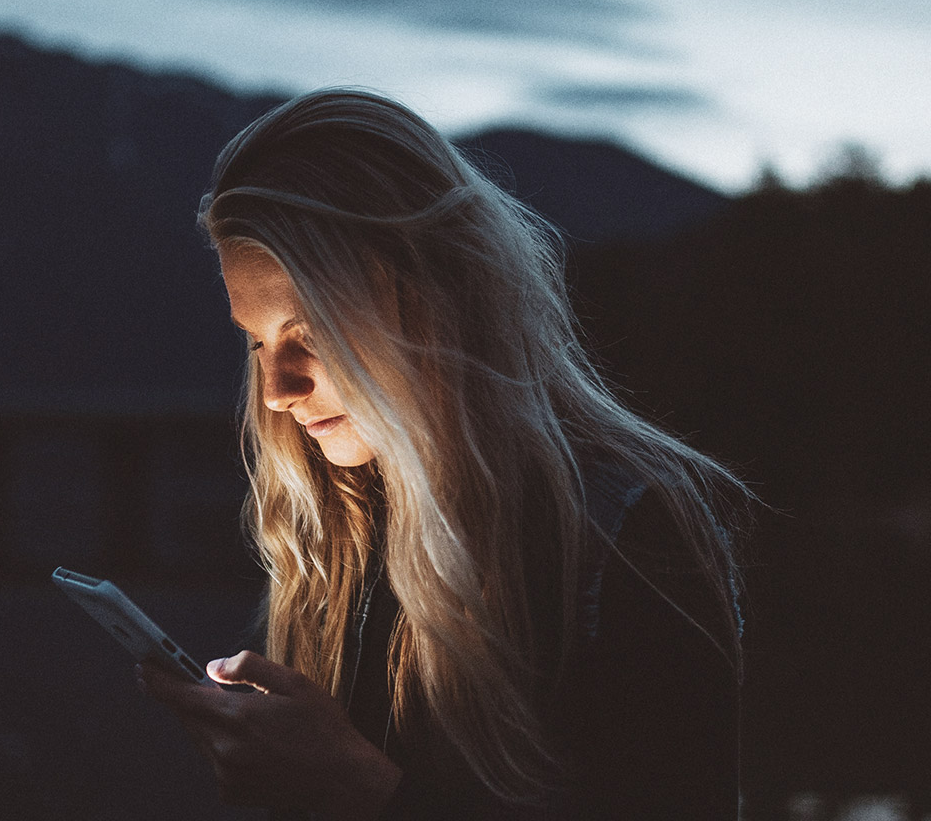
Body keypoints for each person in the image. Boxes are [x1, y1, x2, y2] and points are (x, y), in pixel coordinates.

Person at [139, 88, 749, 820]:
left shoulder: (628, 536)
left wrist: (361, 791)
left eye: (312, 330)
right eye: (258, 340)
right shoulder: (345, 528)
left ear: (435, 293)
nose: (276, 390)